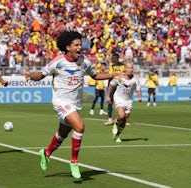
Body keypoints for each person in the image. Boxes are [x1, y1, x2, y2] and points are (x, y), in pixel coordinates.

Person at [24, 30, 120, 179]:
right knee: (80, 127)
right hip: (61, 102)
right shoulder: (57, 62)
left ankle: (46, 152)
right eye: (76, 45)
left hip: (75, 104)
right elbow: (41, 75)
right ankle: (74, 162)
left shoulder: (85, 62)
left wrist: (112, 75)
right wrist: (31, 76)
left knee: (62, 134)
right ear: (68, 47)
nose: (80, 47)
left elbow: (95, 76)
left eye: (81, 45)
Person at [106, 62, 142, 142]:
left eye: (131, 68)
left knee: (124, 120)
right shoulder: (119, 77)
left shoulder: (135, 79)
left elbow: (138, 89)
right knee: (121, 116)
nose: (130, 69)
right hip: (119, 98)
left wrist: (139, 97)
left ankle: (116, 136)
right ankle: (115, 123)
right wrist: (108, 96)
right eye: (128, 68)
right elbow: (111, 85)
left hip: (128, 101)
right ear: (125, 69)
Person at [104, 53, 125, 125]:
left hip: (116, 84)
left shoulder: (113, 66)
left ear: (116, 58)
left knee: (112, 102)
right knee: (117, 102)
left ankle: (111, 119)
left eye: (113, 58)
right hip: (119, 85)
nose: (112, 59)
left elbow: (110, 76)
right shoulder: (122, 65)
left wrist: (108, 86)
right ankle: (115, 118)